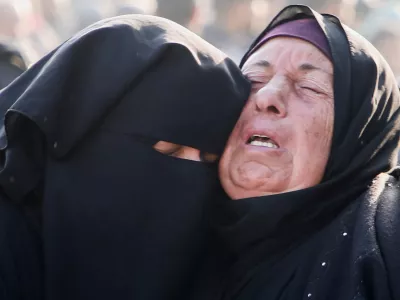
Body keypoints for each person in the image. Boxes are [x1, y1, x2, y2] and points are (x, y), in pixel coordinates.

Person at [0, 14, 250, 299]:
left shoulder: (214, 270)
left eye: (208, 159)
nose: (190, 178)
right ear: (88, 138)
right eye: (168, 150)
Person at [212, 5, 400, 300]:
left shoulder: (384, 238)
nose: (267, 96)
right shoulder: (176, 235)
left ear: (355, 132)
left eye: (310, 87)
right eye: (253, 79)